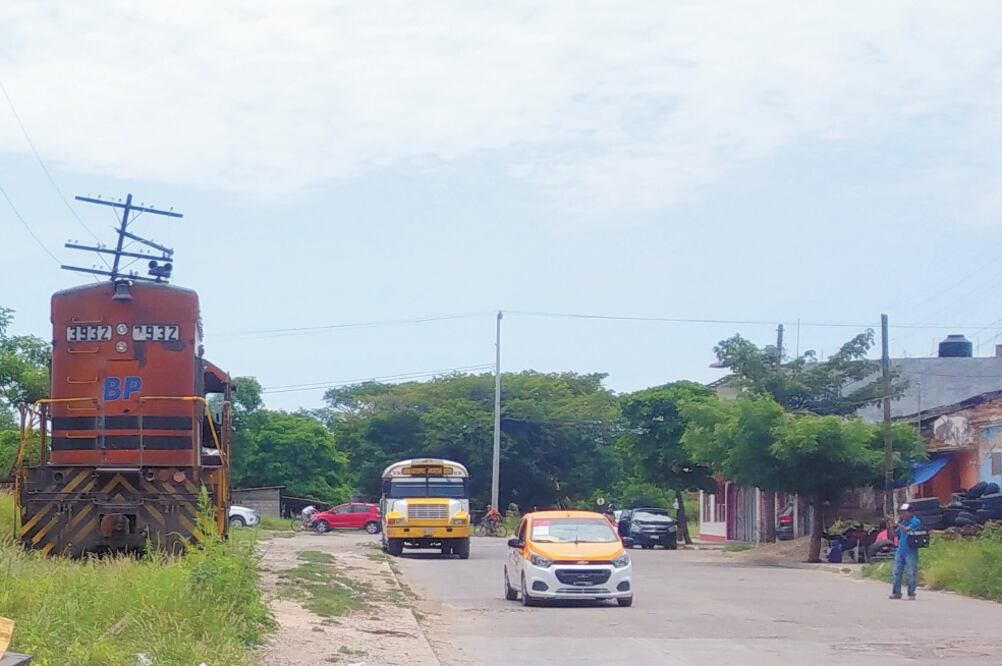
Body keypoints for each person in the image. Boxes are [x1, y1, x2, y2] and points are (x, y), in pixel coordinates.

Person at [889, 503, 922, 600]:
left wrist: (897, 524)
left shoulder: (915, 521)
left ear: (910, 513)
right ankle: (896, 592)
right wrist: (891, 526)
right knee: (896, 571)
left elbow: (907, 530)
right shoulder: (903, 522)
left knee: (911, 572)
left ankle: (911, 593)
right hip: (901, 549)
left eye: (904, 512)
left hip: (911, 550)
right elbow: (895, 534)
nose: (902, 514)